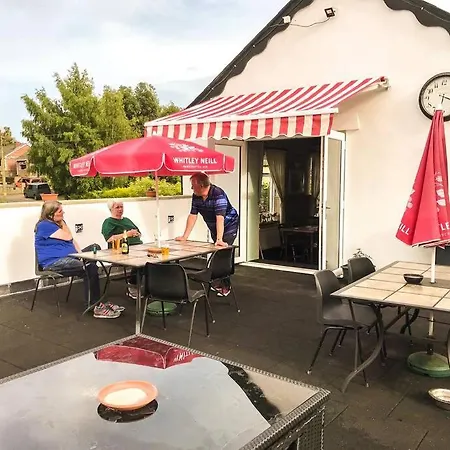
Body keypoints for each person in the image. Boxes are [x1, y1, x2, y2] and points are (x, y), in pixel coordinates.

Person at [34, 201, 123, 319]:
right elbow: (68, 236)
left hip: (71, 257)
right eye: (60, 211)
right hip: (54, 262)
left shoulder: (57, 224)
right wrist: (63, 222)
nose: (63, 212)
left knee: (94, 248)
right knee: (90, 268)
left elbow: (72, 241)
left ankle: (97, 301)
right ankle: (95, 305)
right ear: (51, 214)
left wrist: (82, 255)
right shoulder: (44, 225)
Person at [176, 173, 239, 296]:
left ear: (200, 185)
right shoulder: (196, 196)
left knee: (223, 253)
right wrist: (185, 236)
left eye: (193, 186)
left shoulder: (218, 194)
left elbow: (220, 218)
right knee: (217, 252)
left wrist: (219, 239)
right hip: (214, 226)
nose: (191, 188)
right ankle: (217, 281)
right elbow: (193, 215)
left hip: (229, 224)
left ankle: (225, 285)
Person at [101, 199, 143, 299]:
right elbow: (109, 239)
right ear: (111, 209)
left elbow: (138, 232)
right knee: (141, 261)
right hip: (121, 251)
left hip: (138, 247)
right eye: (117, 207)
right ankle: (132, 286)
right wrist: (127, 234)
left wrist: (136, 233)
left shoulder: (127, 220)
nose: (120, 209)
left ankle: (152, 286)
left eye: (121, 207)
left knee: (154, 259)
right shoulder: (108, 222)